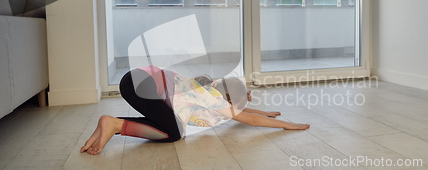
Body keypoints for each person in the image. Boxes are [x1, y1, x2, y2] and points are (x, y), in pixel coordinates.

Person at [81, 65, 310, 155]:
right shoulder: (213, 99)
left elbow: (247, 114)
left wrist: (265, 112)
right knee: (173, 133)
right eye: (238, 105)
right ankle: (114, 124)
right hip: (142, 86)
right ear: (228, 102)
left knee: (167, 123)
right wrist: (288, 125)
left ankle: (111, 124)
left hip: (134, 79)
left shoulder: (208, 89)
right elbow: (249, 119)